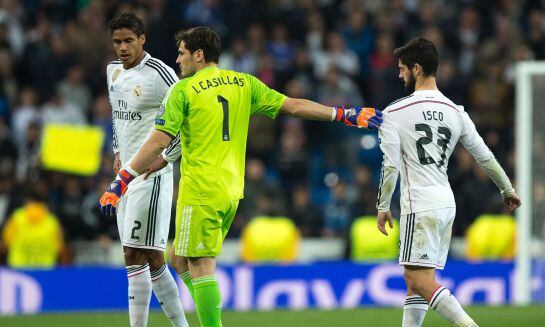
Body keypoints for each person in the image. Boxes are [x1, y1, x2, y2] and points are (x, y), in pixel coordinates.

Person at [99, 26, 382, 327]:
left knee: (200, 266)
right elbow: (294, 106)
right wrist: (344, 114)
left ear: (198, 54)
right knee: (178, 259)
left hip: (201, 191)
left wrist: (122, 180)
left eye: (181, 53)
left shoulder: (182, 91)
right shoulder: (244, 83)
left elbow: (157, 141)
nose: (178, 60)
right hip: (232, 192)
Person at [375, 37, 521, 327]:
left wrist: (382, 204)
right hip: (445, 203)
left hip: (420, 203)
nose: (399, 74)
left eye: (402, 68)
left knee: (417, 278)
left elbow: (390, 164)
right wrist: (507, 188)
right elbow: (485, 157)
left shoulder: (393, 113)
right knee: (415, 280)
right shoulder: (456, 111)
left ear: (417, 69)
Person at [100, 13, 188, 327]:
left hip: (151, 178)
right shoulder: (112, 71)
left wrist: (166, 157)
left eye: (128, 41)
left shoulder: (160, 74)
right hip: (125, 177)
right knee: (151, 259)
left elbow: (186, 117)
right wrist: (118, 149)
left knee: (131, 254)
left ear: (142, 40)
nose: (122, 48)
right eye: (116, 42)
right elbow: (115, 115)